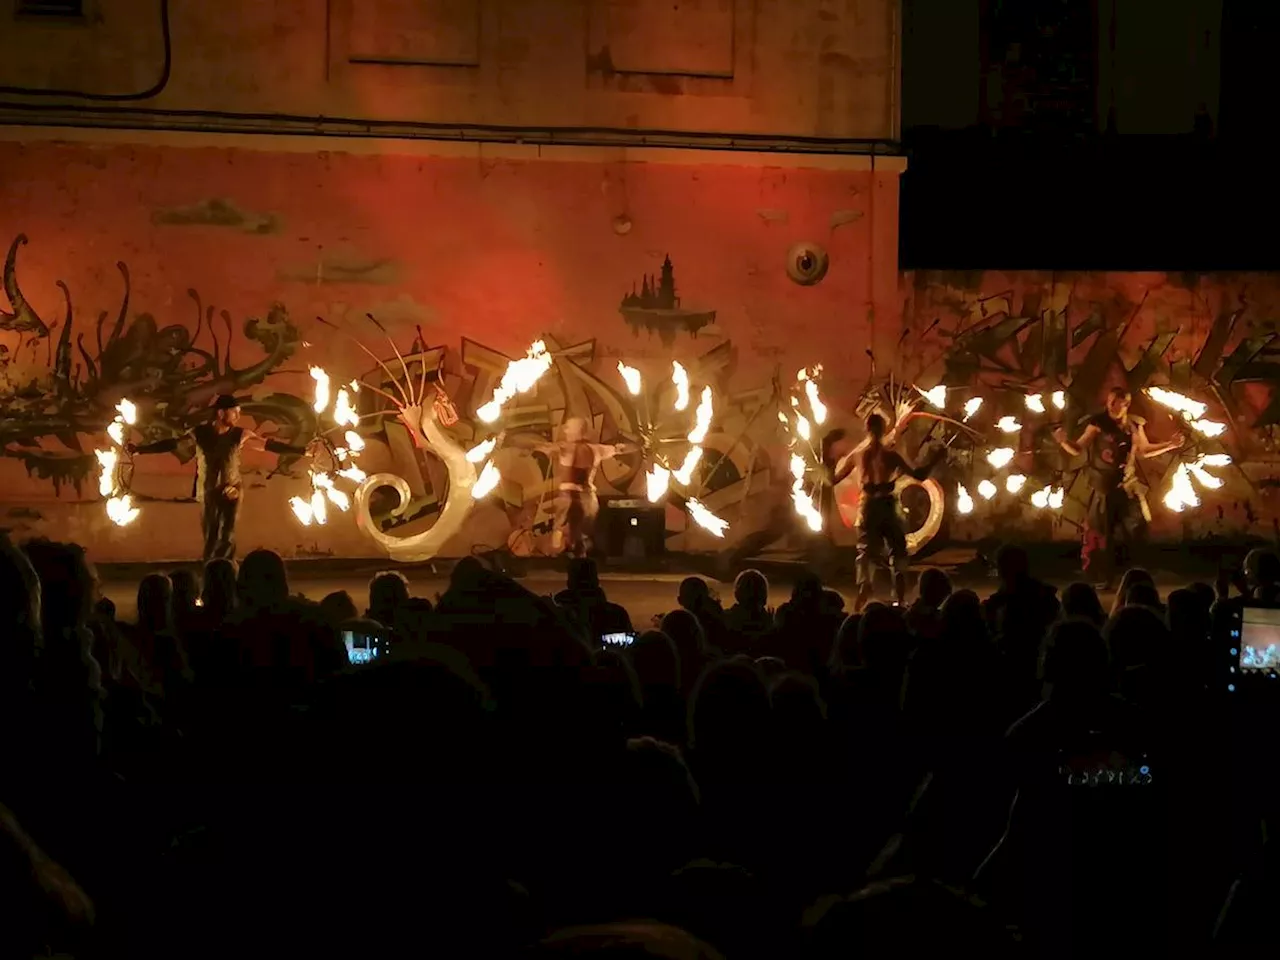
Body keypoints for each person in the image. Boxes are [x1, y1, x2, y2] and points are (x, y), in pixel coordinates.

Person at [127, 395, 320, 561]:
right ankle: (211, 577)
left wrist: (301, 450)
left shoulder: (241, 434)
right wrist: (141, 450)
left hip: (232, 489)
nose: (238, 416)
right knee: (211, 536)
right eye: (234, 412)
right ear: (220, 413)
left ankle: (229, 574)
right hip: (208, 490)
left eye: (238, 412)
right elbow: (173, 444)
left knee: (227, 535)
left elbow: (268, 445)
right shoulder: (200, 433)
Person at [1053, 387, 1183, 587]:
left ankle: (1137, 576)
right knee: (1103, 532)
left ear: (1126, 405)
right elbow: (1078, 448)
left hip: (1127, 484)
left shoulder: (1133, 425)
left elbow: (1144, 450)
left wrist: (1170, 445)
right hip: (1104, 485)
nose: (1112, 406)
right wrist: (1064, 442)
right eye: (1110, 401)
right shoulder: (1098, 423)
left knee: (1139, 525)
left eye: (1117, 402)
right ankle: (1103, 578)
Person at [832, 413, 945, 610]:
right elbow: (919, 475)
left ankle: (865, 586)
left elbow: (835, 478)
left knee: (866, 551)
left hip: (867, 505)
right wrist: (936, 458)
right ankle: (900, 598)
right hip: (886, 505)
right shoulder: (891, 456)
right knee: (898, 551)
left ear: (867, 429)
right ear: (883, 430)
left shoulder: (858, 455)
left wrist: (822, 467)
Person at [536, 417, 636, 559]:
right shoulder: (597, 449)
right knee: (578, 535)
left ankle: (568, 549)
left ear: (577, 431)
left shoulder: (565, 447)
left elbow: (543, 447)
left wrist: (533, 445)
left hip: (570, 498)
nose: (565, 430)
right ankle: (576, 552)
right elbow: (621, 449)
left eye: (568, 427)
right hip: (588, 499)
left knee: (562, 534)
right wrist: (640, 445)